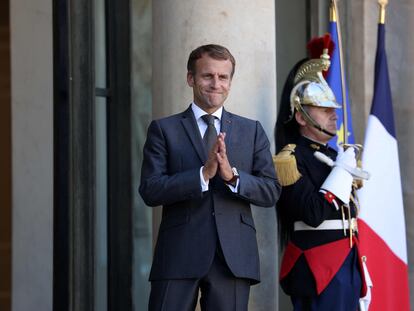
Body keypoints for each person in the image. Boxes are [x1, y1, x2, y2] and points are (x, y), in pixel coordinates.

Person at [139, 44, 280, 311]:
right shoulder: (163, 129)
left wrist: (232, 177)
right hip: (178, 253)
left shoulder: (251, 131)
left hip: (233, 258)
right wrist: (202, 175)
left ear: (230, 82)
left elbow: (271, 190)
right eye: (207, 76)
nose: (216, 83)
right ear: (191, 78)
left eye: (223, 77)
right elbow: (150, 189)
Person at [274, 35, 367, 311]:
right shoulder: (289, 158)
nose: (334, 115)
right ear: (301, 116)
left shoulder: (331, 155)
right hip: (317, 266)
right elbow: (313, 214)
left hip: (347, 261)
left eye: (333, 109)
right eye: (324, 109)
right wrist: (340, 173)